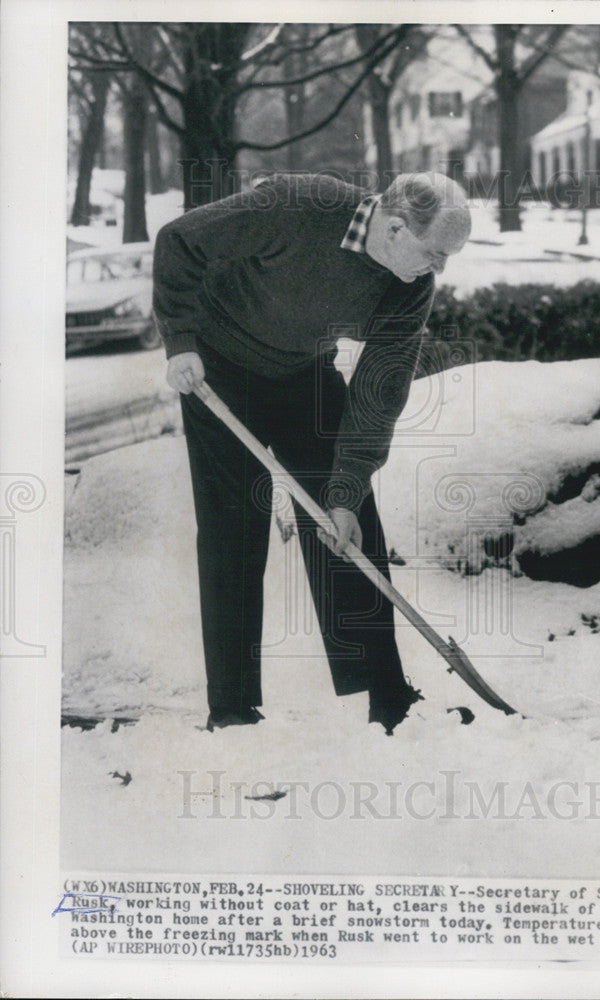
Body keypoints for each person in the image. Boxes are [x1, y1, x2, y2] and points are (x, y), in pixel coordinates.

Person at [152, 171, 471, 735]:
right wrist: (179, 339)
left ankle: (386, 695)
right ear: (395, 227)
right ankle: (231, 707)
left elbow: (379, 390)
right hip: (218, 368)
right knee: (234, 529)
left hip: (303, 373)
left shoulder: (408, 283)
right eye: (434, 254)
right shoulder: (299, 205)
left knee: (348, 526)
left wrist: (346, 489)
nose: (439, 269)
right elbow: (181, 239)